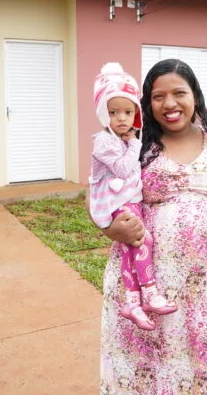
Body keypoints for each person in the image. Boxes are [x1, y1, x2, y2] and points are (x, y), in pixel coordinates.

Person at [97, 58, 207, 394]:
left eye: (179, 92)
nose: (169, 104)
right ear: (146, 104)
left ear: (194, 95)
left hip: (201, 288)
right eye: (157, 96)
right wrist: (112, 230)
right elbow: (96, 194)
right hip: (145, 285)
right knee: (145, 366)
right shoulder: (133, 144)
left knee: (191, 361)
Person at [89, 62, 177, 332]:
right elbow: (124, 168)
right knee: (142, 239)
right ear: (104, 114)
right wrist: (136, 143)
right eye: (114, 112)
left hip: (130, 200)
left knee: (131, 248)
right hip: (117, 202)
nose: (122, 118)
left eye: (128, 111)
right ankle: (149, 292)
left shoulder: (125, 138)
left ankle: (132, 301)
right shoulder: (105, 141)